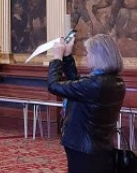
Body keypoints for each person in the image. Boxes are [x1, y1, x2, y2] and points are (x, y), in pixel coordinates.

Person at [48, 34, 125, 173]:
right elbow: (77, 85)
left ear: (98, 56)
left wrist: (57, 58)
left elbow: (53, 85)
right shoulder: (115, 81)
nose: (86, 57)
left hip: (84, 148)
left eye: (88, 53)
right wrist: (67, 56)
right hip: (99, 145)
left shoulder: (95, 84)